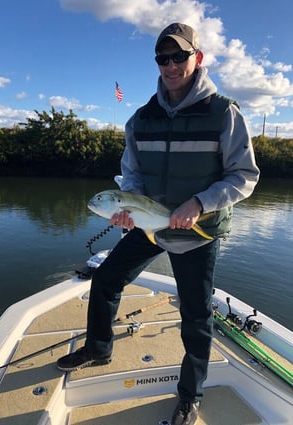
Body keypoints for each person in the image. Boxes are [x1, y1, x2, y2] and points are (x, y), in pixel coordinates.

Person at [57, 22, 260, 425]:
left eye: (179, 56)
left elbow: (244, 175)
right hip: (150, 225)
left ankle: (190, 395)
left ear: (196, 58)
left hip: (195, 231)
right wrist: (126, 208)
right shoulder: (139, 119)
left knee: (196, 314)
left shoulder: (224, 112)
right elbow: (130, 176)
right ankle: (99, 348)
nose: (170, 65)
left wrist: (199, 204)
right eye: (162, 58)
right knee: (106, 279)